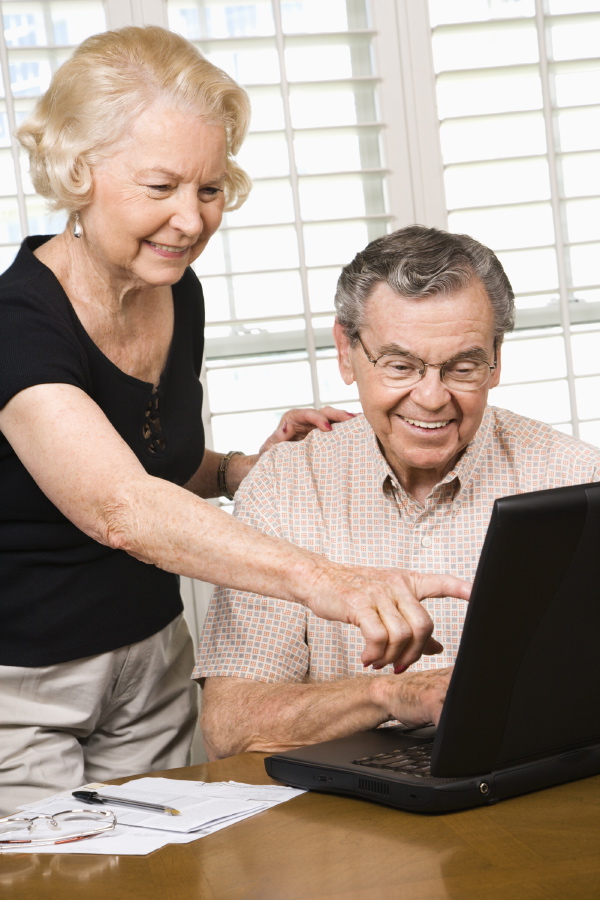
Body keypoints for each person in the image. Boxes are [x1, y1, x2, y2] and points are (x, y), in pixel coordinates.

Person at [0, 28, 469, 814]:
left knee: (163, 875)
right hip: (24, 681)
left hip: (150, 655)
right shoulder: (16, 325)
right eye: (161, 188)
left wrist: (235, 471)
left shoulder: (173, 290)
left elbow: (152, 464)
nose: (190, 221)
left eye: (210, 188)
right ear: (78, 175)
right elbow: (120, 507)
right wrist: (331, 583)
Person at [196, 225, 600, 759]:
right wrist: (390, 693)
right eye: (400, 365)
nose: (431, 398)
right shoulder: (284, 486)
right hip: (342, 817)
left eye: (463, 366)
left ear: (496, 360)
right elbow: (231, 725)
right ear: (347, 352)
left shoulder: (574, 476)